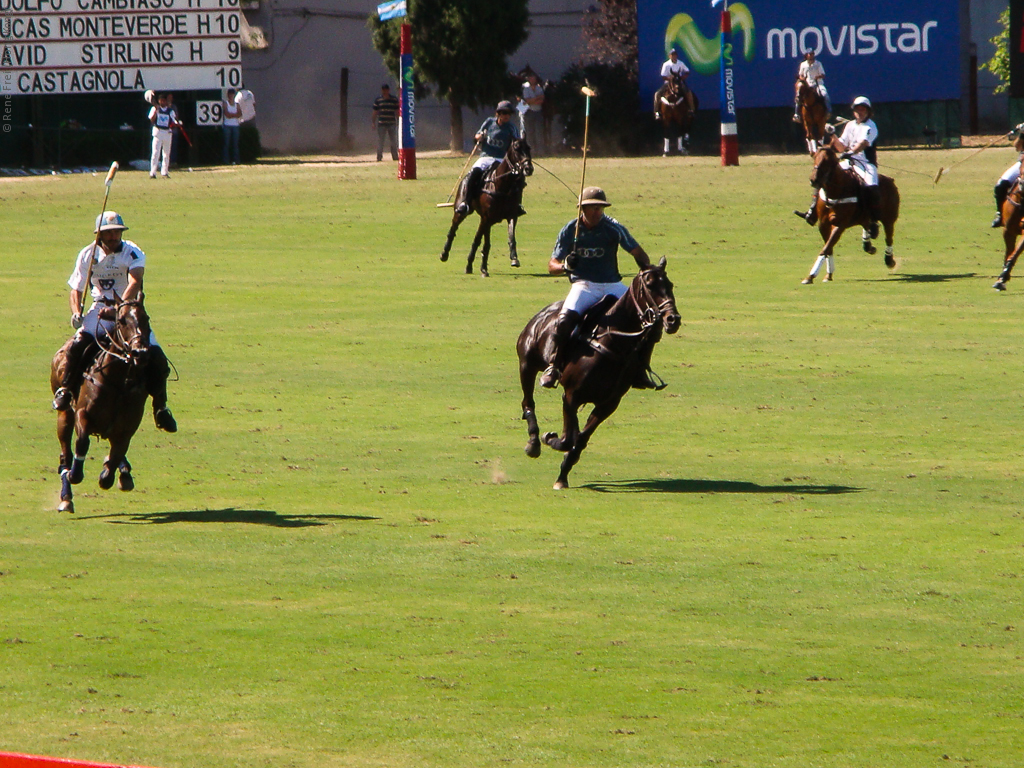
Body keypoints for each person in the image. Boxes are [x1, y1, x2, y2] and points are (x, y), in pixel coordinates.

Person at [52, 211, 177, 433]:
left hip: (128, 310)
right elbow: (76, 288)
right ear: (99, 235)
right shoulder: (88, 255)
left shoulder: (132, 252)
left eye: (117, 232)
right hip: (100, 308)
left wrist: (122, 307)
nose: (114, 237)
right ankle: (66, 390)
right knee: (78, 344)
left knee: (156, 356)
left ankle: (161, 407)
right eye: (109, 233)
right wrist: (76, 312)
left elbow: (135, 280)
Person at [540, 187, 662, 391]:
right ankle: (554, 366)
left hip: (613, 285)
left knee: (650, 321)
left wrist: (646, 270)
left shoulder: (613, 227)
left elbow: (638, 252)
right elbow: (552, 265)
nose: (597, 212)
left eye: (600, 208)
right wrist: (565, 267)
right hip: (584, 286)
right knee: (563, 321)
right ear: (583, 209)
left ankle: (640, 369)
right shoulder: (571, 230)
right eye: (592, 207)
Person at [455, 101, 521, 216]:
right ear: (498, 113)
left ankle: (517, 205)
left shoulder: (511, 127)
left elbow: (517, 143)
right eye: (504, 113)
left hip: (502, 159)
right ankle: (465, 202)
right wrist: (480, 137)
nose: (507, 116)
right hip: (486, 157)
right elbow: (477, 135)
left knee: (517, 178)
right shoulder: (489, 122)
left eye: (509, 113)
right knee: (473, 173)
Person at [831, 96, 881, 237]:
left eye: (862, 109)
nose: (860, 111)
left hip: (865, 164)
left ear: (868, 111)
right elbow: (841, 147)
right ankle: (813, 211)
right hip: (848, 161)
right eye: (857, 109)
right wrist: (832, 134)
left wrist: (851, 152)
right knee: (826, 175)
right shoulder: (850, 125)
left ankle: (873, 220)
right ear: (853, 111)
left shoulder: (871, 126)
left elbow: (863, 143)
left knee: (871, 187)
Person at [991, 125, 1024, 228]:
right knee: (1001, 184)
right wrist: (1022, 134)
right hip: (1022, 163)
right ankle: (1000, 214)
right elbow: (1017, 147)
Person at [792, 49, 831, 123]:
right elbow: (800, 74)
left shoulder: (818, 64)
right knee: (798, 94)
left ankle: (828, 111)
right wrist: (802, 78)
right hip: (807, 84)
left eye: (812, 54)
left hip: (817, 84)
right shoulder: (803, 64)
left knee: (825, 94)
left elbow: (823, 75)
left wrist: (817, 76)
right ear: (807, 55)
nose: (810, 56)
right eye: (809, 54)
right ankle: (796, 114)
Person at [654, 48, 695, 115]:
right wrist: (671, 80)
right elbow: (663, 76)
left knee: (689, 93)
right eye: (672, 55)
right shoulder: (666, 64)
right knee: (657, 94)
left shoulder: (680, 63)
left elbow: (687, 71)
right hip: (668, 83)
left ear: (677, 56)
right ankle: (656, 112)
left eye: (675, 55)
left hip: (679, 83)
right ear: (669, 56)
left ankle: (691, 110)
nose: (674, 56)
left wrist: (682, 78)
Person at [149, 93, 177, 178]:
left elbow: (173, 121)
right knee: (155, 153)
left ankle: (164, 172)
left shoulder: (170, 111)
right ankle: (153, 173)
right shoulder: (155, 109)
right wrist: (155, 111)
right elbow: (151, 119)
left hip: (167, 133)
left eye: (164, 101)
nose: (162, 102)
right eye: (161, 100)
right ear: (159, 101)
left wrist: (176, 124)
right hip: (158, 132)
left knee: (166, 154)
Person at [372, 83, 400, 162]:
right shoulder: (378, 100)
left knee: (393, 141)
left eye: (385, 90)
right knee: (381, 141)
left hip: (391, 123)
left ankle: (395, 156)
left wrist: (398, 121)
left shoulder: (394, 100)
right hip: (381, 124)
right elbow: (375, 112)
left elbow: (397, 111)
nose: (384, 92)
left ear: (388, 90)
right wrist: (373, 122)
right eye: (383, 90)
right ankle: (379, 157)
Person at [521, 72, 545, 155]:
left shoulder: (539, 89)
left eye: (533, 78)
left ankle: (541, 151)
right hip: (529, 112)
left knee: (539, 132)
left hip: (538, 111)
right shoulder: (526, 89)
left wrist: (532, 100)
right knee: (530, 132)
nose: (532, 80)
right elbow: (527, 101)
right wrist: (537, 98)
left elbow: (541, 101)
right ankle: (531, 151)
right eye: (531, 78)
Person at [222, 88, 242, 164]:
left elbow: (239, 114)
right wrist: (235, 115)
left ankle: (236, 160)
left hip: (235, 126)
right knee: (226, 144)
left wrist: (232, 115)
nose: (231, 95)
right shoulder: (225, 103)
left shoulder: (237, 104)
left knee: (235, 144)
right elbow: (226, 114)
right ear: (228, 95)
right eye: (230, 94)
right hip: (227, 125)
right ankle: (225, 160)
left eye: (232, 94)